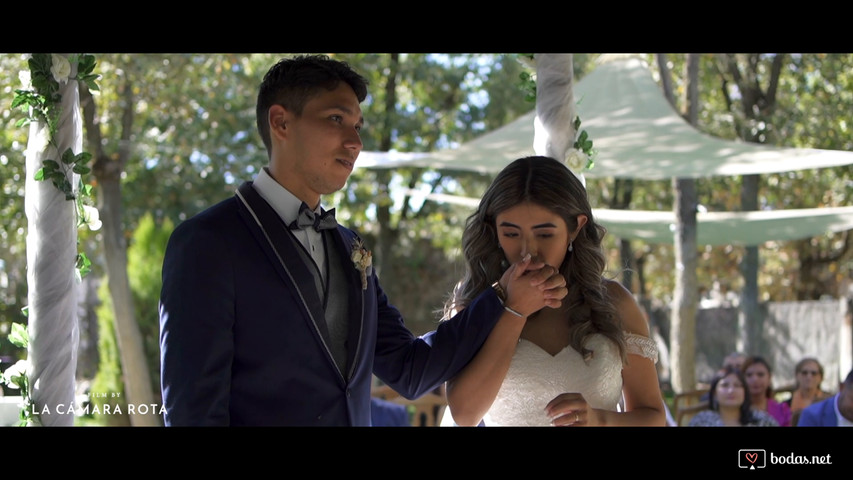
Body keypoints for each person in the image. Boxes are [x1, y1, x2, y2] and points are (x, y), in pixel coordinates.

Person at [158, 55, 568, 426]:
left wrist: (501, 299)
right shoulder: (207, 243)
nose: (355, 142)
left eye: (357, 126)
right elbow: (193, 413)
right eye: (336, 120)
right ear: (281, 122)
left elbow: (412, 370)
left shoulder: (347, 244)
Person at [440, 156, 666, 426]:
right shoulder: (473, 302)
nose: (528, 251)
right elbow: (464, 415)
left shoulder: (614, 302)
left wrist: (600, 420)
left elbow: (653, 416)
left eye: (545, 234)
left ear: (576, 227)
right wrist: (514, 310)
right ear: (493, 230)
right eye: (511, 234)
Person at [687, 366, 779, 426]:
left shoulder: (762, 421)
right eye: (725, 385)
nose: (731, 391)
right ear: (715, 393)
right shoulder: (701, 421)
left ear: (745, 392)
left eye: (737, 385)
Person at [742, 355, 792, 426]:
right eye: (749, 375)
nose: (755, 379)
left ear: (769, 378)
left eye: (760, 375)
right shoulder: (734, 410)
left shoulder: (782, 410)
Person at [785, 357, 833, 426]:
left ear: (821, 377)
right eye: (804, 373)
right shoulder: (785, 406)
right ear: (797, 376)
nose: (809, 377)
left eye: (814, 373)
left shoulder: (830, 402)